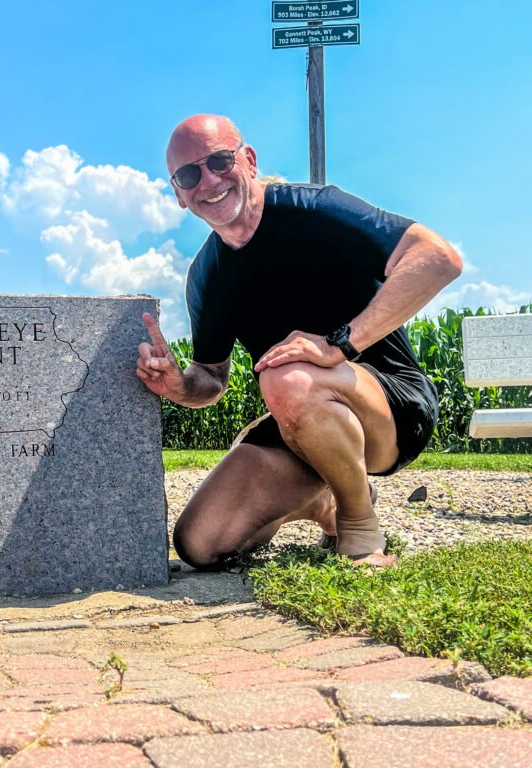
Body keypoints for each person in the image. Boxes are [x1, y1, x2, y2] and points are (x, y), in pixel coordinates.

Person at [137, 114, 462, 568]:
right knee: (199, 544)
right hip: (301, 415)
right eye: (189, 174)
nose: (208, 180)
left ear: (248, 160)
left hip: (390, 408)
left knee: (286, 377)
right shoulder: (206, 275)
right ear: (178, 193)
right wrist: (179, 386)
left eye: (219, 161)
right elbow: (211, 377)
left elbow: (438, 258)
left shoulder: (314, 211)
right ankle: (322, 502)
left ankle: (359, 526)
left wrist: (339, 345)